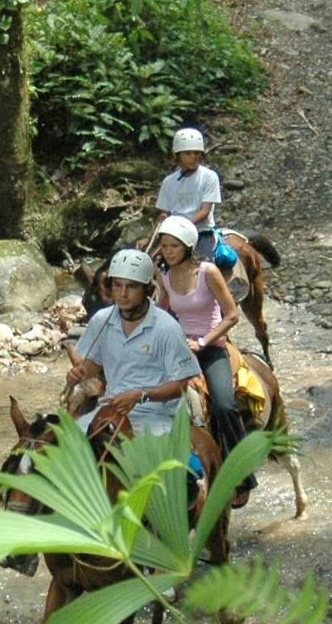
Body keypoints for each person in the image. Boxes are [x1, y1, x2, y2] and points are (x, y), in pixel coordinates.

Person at [151, 216, 251, 503]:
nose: (168, 251)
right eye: (164, 245)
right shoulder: (165, 276)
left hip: (211, 345)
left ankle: (242, 473)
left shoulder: (208, 272)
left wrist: (204, 341)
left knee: (223, 404)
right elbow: (164, 310)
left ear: (188, 246)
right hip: (180, 347)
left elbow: (231, 314)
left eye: (174, 246)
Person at [65, 248, 201, 438]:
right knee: (64, 444)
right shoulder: (101, 320)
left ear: (148, 289)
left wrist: (141, 396)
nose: (122, 294)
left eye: (131, 287)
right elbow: (92, 365)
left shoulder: (167, 327)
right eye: (117, 285)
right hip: (110, 409)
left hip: (155, 416)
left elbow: (181, 385)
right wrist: (78, 374)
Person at [156, 127, 223, 266]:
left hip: (201, 231)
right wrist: (162, 221)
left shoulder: (209, 177)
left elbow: (205, 211)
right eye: (188, 153)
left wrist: (182, 227)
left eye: (197, 153)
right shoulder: (169, 181)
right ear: (178, 155)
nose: (194, 157)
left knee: (207, 265)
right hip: (172, 234)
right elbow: (164, 211)